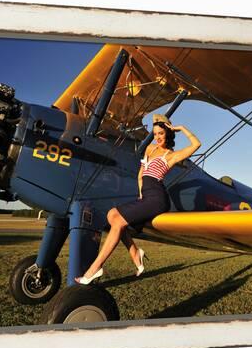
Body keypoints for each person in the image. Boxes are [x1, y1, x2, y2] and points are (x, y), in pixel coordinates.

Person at [75, 114, 201, 284]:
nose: (157, 137)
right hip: (146, 196)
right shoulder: (149, 149)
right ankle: (135, 253)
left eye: (161, 134)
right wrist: (141, 194)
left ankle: (94, 268)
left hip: (157, 198)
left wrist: (181, 128)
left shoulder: (171, 155)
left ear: (168, 134)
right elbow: (141, 175)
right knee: (112, 215)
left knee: (118, 222)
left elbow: (196, 144)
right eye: (155, 134)